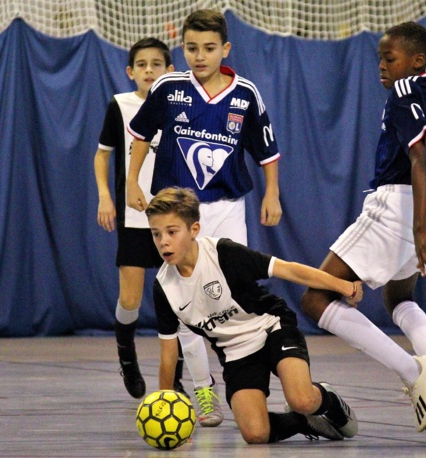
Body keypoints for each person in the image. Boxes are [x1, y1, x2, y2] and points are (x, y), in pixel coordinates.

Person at [301, 21, 426, 432]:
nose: (381, 66)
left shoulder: (406, 92)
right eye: (380, 57)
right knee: (398, 297)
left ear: (416, 61)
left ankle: (414, 373)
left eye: (390, 58)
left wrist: (418, 231)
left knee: (315, 298)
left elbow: (418, 159)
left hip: (399, 205)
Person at [125, 9, 282, 425]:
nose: (200, 55)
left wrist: (273, 194)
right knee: (185, 301)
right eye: (191, 48)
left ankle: (250, 377)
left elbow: (266, 151)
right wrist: (131, 182)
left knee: (237, 292)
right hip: (176, 208)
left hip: (227, 207)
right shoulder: (168, 87)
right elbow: (140, 136)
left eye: (209, 48)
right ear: (183, 47)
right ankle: (202, 387)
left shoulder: (245, 94)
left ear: (225, 49)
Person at [146, 187, 361, 444]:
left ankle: (327, 400)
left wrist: (343, 286)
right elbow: (169, 354)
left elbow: (290, 270)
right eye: (156, 234)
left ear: (194, 230)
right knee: (255, 434)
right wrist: (165, 407)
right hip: (236, 352)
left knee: (302, 399)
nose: (163, 242)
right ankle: (304, 421)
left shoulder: (222, 254)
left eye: (172, 232)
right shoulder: (164, 287)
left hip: (270, 326)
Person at [93, 37, 222, 427]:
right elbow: (103, 154)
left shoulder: (183, 103)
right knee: (130, 298)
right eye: (141, 65)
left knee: (181, 301)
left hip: (172, 222)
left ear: (170, 70)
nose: (149, 70)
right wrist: (106, 196)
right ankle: (127, 357)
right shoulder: (121, 105)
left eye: (156, 64)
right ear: (131, 71)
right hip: (135, 220)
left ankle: (182, 380)